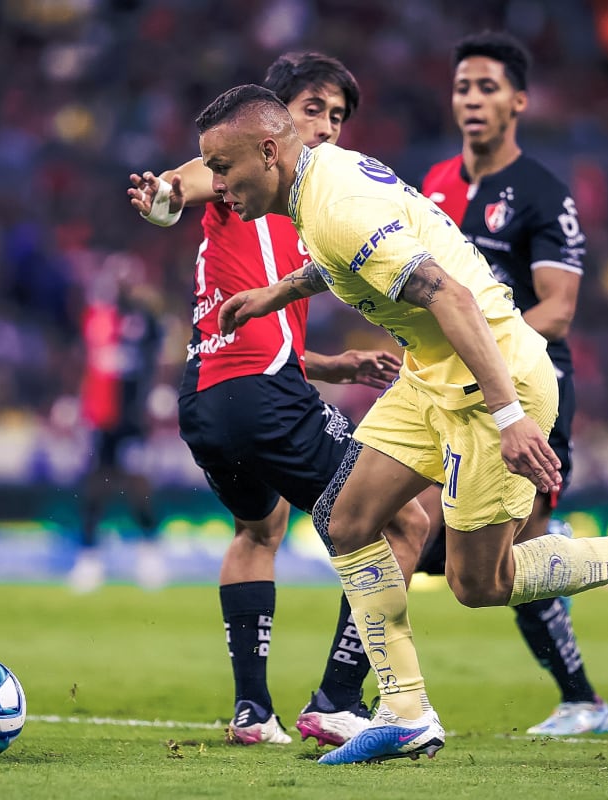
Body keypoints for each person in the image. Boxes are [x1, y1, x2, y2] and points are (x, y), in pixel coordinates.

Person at [204, 84, 608, 765]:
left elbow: (450, 295)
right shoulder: (321, 177)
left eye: (222, 167)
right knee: (346, 520)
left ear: (268, 151)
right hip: (432, 374)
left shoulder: (336, 205)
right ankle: (405, 709)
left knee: (481, 585)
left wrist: (510, 417)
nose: (218, 185)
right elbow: (343, 260)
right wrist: (278, 292)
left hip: (491, 381)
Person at [127, 53, 430, 747]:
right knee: (406, 521)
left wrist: (331, 364)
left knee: (259, 531)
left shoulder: (305, 205)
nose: (325, 125)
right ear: (271, 122)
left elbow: (254, 322)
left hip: (209, 394)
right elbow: (185, 182)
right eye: (313, 109)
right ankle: (339, 697)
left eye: (337, 116)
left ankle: (252, 713)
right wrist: (163, 199)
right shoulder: (243, 172)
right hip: (258, 391)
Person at [416, 31, 608, 737]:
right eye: (464, 87)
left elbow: (558, 309)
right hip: (447, 392)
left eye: (488, 87)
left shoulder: (542, 195)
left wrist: (487, 356)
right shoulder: (433, 184)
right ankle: (371, 701)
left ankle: (583, 698)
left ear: (519, 102)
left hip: (530, 392)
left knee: (513, 555)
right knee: (417, 534)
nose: (472, 99)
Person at [68, 257, 166, 594]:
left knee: (138, 484)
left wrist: (155, 401)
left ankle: (149, 551)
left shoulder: (147, 320)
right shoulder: (97, 318)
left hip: (133, 418)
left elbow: (157, 362)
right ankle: (89, 555)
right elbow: (85, 362)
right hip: (101, 415)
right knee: (95, 484)